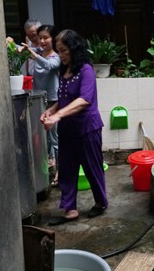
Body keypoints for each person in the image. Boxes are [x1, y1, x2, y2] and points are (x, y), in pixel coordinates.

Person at [42, 29, 108, 225]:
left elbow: (84, 100)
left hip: (87, 128)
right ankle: (69, 209)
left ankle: (100, 202)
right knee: (67, 169)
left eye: (63, 51)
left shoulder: (86, 70)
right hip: (68, 130)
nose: (60, 55)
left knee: (92, 168)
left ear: (74, 49)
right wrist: (51, 111)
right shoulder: (65, 70)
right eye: (58, 51)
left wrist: (57, 116)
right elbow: (64, 98)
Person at [22, 25, 61, 186]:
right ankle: (45, 172)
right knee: (41, 139)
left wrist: (32, 53)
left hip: (53, 102)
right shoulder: (38, 53)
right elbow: (22, 49)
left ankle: (60, 172)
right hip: (38, 101)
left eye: (46, 38)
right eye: (40, 38)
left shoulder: (56, 57)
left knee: (55, 139)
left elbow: (49, 66)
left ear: (54, 39)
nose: (42, 41)